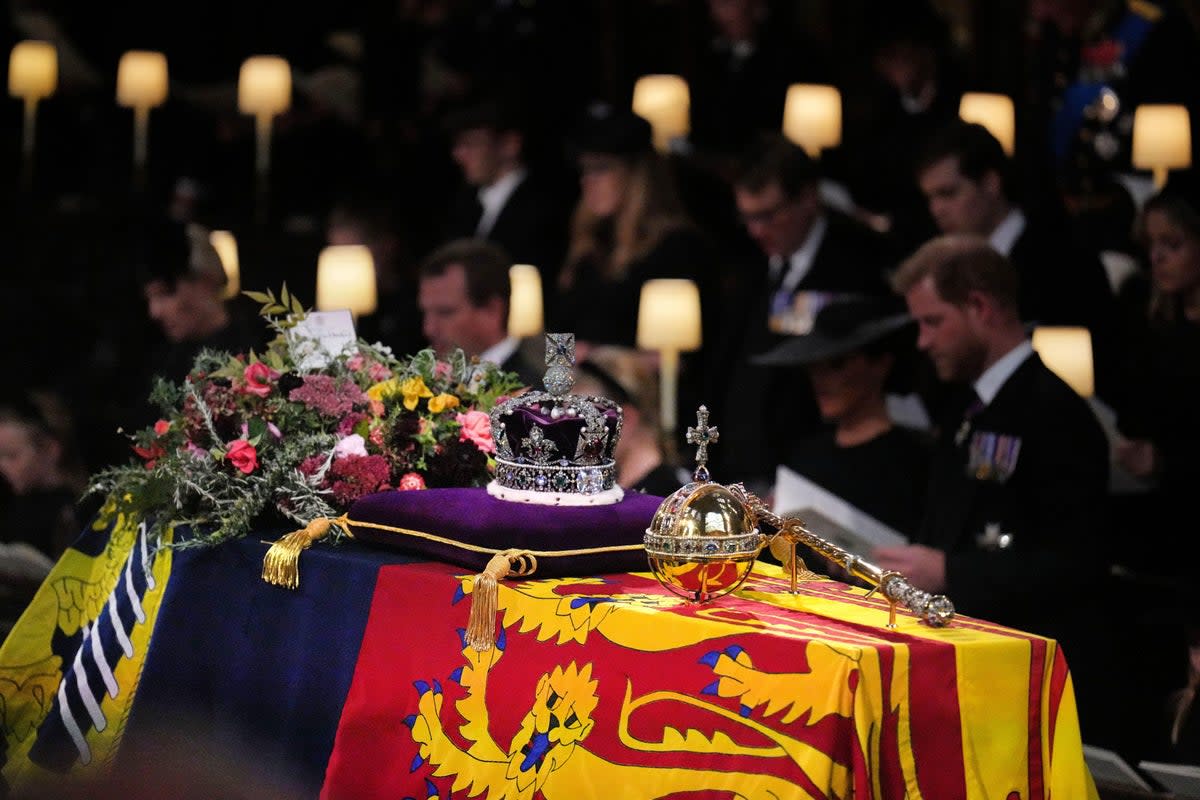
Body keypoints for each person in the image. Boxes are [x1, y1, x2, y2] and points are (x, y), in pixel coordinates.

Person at [876, 233, 1116, 745]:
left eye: (932, 321)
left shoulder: (1054, 412)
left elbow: (1078, 565)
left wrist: (949, 570)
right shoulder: (972, 407)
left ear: (980, 306)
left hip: (1025, 680)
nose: (921, 341)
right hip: (970, 663)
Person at [713, 131, 902, 492]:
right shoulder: (747, 265)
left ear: (809, 198)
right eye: (747, 218)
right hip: (739, 466)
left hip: (812, 472)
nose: (756, 230)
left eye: (767, 215)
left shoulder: (855, 265)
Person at [914, 118, 1120, 400]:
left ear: (991, 183)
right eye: (930, 198)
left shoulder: (1062, 259)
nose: (937, 209)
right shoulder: (940, 266)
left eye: (948, 194)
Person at [752, 296, 931, 540]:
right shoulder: (805, 456)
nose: (820, 379)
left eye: (836, 364)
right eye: (814, 365)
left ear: (880, 365)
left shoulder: (912, 463)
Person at [133, 216, 265, 427]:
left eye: (165, 294)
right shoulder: (164, 369)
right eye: (149, 299)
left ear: (206, 280)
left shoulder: (262, 346)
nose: (154, 311)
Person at [440, 94, 573, 288]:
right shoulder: (465, 206)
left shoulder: (543, 208)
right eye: (458, 144)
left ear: (510, 144)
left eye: (471, 143)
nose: (458, 154)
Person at [0, 390, 94, 635]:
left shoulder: (79, 508)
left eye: (11, 456)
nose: (3, 466)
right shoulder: (17, 503)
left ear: (51, 450)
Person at [417, 237, 541, 388]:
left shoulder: (533, 397)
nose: (428, 329)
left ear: (492, 310)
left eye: (445, 312)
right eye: (426, 312)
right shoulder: (432, 384)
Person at [573, 346, 688, 498]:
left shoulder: (665, 501)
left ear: (624, 420)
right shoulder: (621, 494)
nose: (574, 438)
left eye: (584, 423)